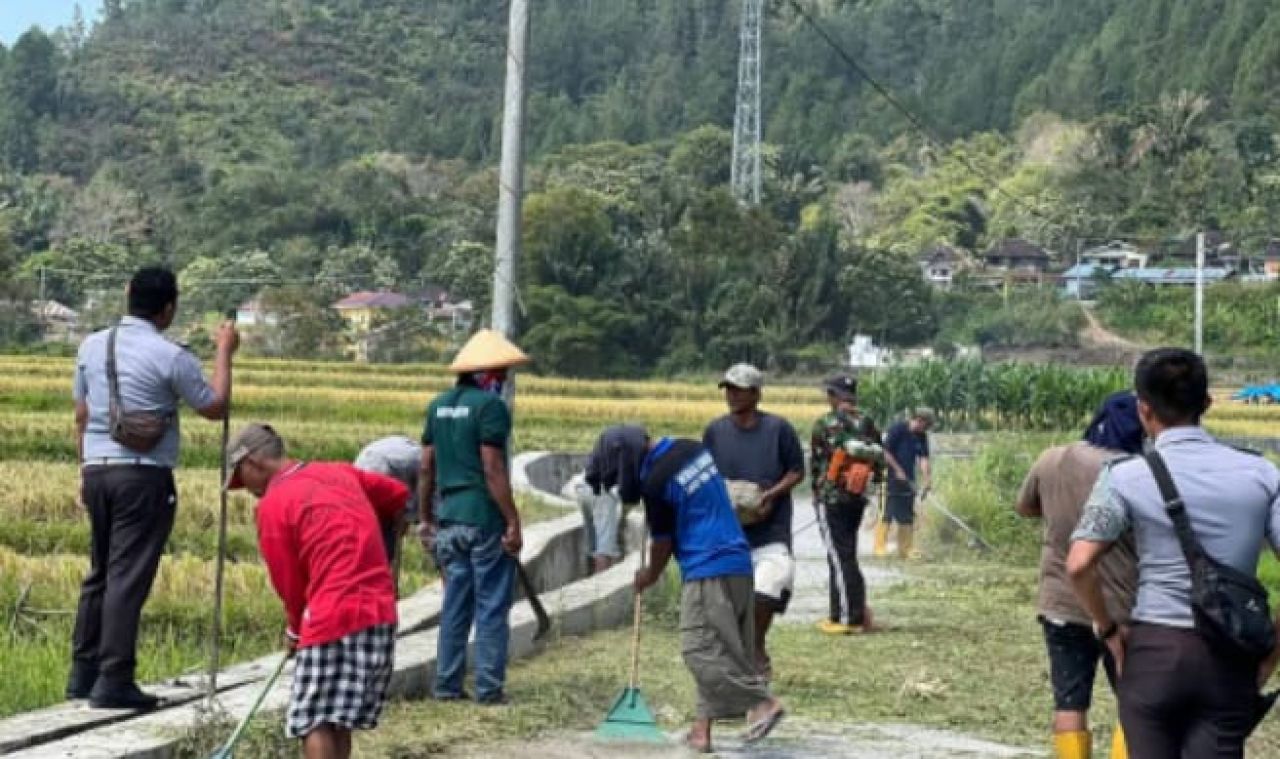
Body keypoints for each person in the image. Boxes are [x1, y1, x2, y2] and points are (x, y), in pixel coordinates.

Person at [1068, 348, 1280, 759]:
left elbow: (1079, 563)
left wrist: (1108, 630)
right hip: (1230, 657)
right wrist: (1273, 650)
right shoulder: (1263, 472)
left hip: (1153, 653)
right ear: (1207, 403)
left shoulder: (1124, 476)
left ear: (1144, 410)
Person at [68, 266, 238, 709]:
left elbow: (82, 416)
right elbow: (214, 406)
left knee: (100, 570)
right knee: (128, 576)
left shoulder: (91, 345)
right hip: (141, 475)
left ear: (128, 295)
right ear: (168, 308)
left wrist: (83, 468)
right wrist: (225, 352)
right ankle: (114, 678)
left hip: (96, 469)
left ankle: (82, 671)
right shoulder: (170, 355)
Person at [225, 423, 405, 759]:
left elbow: (290, 583)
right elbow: (396, 495)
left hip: (332, 615)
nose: (245, 488)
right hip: (380, 612)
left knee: (313, 719)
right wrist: (382, 540)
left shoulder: (273, 505)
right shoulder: (338, 472)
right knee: (339, 719)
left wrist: (295, 628)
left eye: (240, 477)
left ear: (252, 463)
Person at [605, 425, 784, 754]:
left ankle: (762, 703)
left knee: (697, 649)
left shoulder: (656, 482)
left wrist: (648, 574)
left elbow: (662, 543)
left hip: (707, 568)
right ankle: (701, 732)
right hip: (737, 562)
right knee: (719, 648)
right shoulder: (690, 449)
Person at [1016, 392, 1142, 759]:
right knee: (1134, 703)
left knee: (1069, 702)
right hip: (1122, 605)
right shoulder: (1135, 469)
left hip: (1061, 601)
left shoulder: (1051, 458)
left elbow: (1024, 507)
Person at [417, 329, 529, 705]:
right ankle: (488, 689)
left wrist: (425, 517)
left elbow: (426, 467)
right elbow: (492, 467)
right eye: (502, 374)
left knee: (455, 605)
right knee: (491, 605)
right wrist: (512, 519)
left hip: (448, 518)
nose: (503, 381)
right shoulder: (489, 408)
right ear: (488, 374)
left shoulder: (438, 406)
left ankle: (447, 686)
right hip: (483, 518)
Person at [702, 363, 804, 680]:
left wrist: (770, 495)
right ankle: (736, 657)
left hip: (770, 531)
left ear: (757, 393)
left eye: (739, 389)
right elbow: (705, 476)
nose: (732, 395)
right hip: (728, 532)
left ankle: (756, 645)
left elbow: (796, 470)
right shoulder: (715, 432)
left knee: (769, 587)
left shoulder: (778, 429)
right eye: (728, 389)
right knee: (727, 604)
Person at [810, 374, 883, 635]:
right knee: (846, 555)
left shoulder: (825, 424)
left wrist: (817, 495)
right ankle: (848, 611)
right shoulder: (867, 422)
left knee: (839, 558)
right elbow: (879, 459)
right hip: (858, 496)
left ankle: (846, 619)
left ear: (833, 396)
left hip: (831, 499)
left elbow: (817, 463)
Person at [577, 425, 646, 574]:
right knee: (605, 550)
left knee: (593, 546)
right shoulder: (636, 443)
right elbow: (628, 485)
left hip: (583, 486)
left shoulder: (617, 435)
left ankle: (589, 584)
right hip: (602, 493)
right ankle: (600, 592)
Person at [354, 435, 422, 565]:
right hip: (380, 466)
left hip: (367, 460)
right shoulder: (425, 465)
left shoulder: (415, 456)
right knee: (382, 537)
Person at [876, 408, 934, 559]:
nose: (925, 429)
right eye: (926, 425)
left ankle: (906, 549)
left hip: (908, 478)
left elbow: (923, 458)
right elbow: (886, 453)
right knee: (886, 511)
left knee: (906, 514)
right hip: (889, 475)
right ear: (919, 420)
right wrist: (897, 470)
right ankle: (879, 547)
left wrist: (927, 479)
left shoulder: (921, 436)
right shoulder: (897, 430)